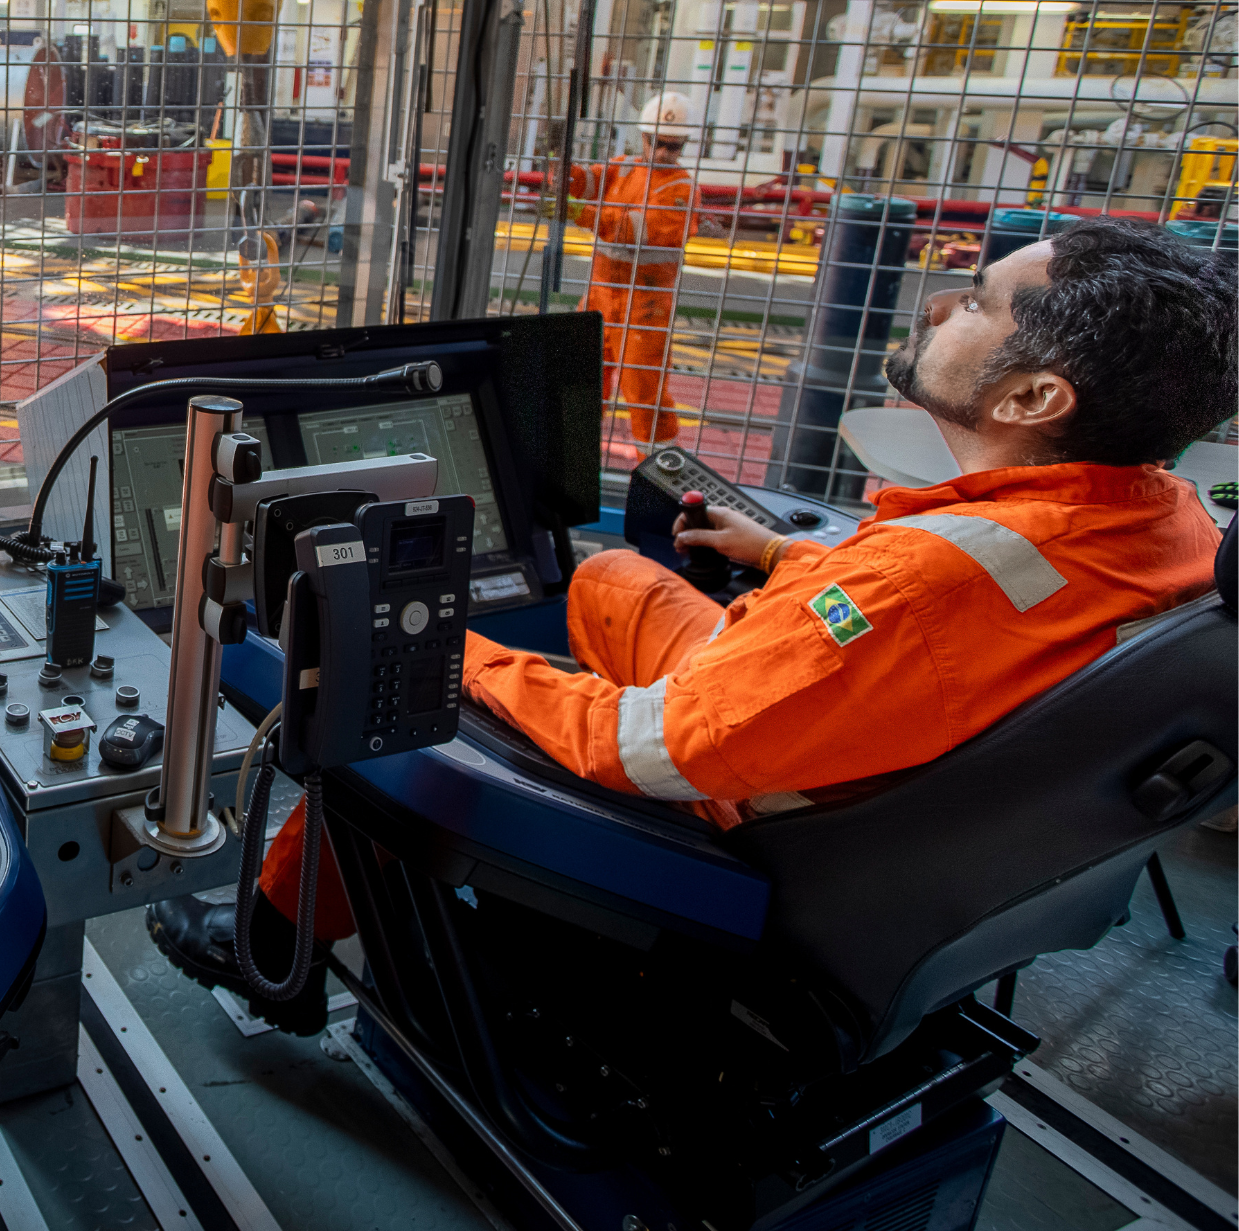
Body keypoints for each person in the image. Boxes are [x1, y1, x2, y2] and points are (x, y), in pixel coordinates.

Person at [152, 217, 1237, 1031]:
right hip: (880, 750)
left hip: (758, 812)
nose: (944, 305)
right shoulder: (1167, 515)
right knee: (609, 578)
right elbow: (982, 612)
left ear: (1033, 399)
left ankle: (270, 945)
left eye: (979, 302)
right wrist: (781, 558)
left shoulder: (916, 584)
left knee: (383, 701)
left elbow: (649, 744)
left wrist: (437, 652)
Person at [569, 92, 724, 447]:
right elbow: (588, 180)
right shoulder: (624, 167)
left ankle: (657, 481)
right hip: (599, 297)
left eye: (672, 146)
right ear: (643, 137)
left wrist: (581, 212)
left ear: (683, 145)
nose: (662, 153)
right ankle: (574, 461)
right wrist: (563, 173)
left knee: (644, 398)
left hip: (644, 309)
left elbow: (639, 229)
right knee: (580, 386)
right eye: (656, 143)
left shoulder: (682, 191)